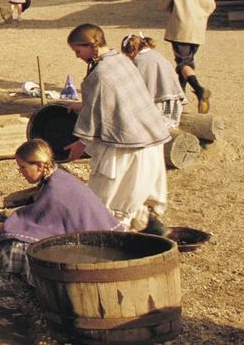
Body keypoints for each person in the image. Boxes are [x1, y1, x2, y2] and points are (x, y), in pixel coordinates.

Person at [65, 24, 172, 234]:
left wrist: (81, 143)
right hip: (148, 134)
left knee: (111, 197)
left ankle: (113, 244)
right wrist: (81, 105)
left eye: (78, 51)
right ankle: (149, 227)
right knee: (136, 194)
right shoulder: (120, 60)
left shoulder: (101, 73)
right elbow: (113, 101)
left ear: (90, 46)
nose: (78, 56)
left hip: (127, 145)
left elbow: (98, 109)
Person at [0, 140, 122, 281]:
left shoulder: (56, 188)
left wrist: (2, 226)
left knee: (14, 246)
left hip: (96, 249)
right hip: (98, 238)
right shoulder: (58, 176)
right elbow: (39, 212)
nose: (20, 172)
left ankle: (28, 288)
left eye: (23, 167)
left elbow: (35, 219)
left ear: (39, 166)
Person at [156, 0, 216, 112]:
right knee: (187, 62)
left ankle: (200, 90)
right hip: (197, 30)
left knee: (184, 63)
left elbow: (161, 6)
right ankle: (180, 96)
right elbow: (211, 7)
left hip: (180, 28)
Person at [120, 33, 186, 130]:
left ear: (132, 51)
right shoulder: (156, 55)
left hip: (159, 107)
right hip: (174, 105)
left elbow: (136, 89)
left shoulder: (139, 61)